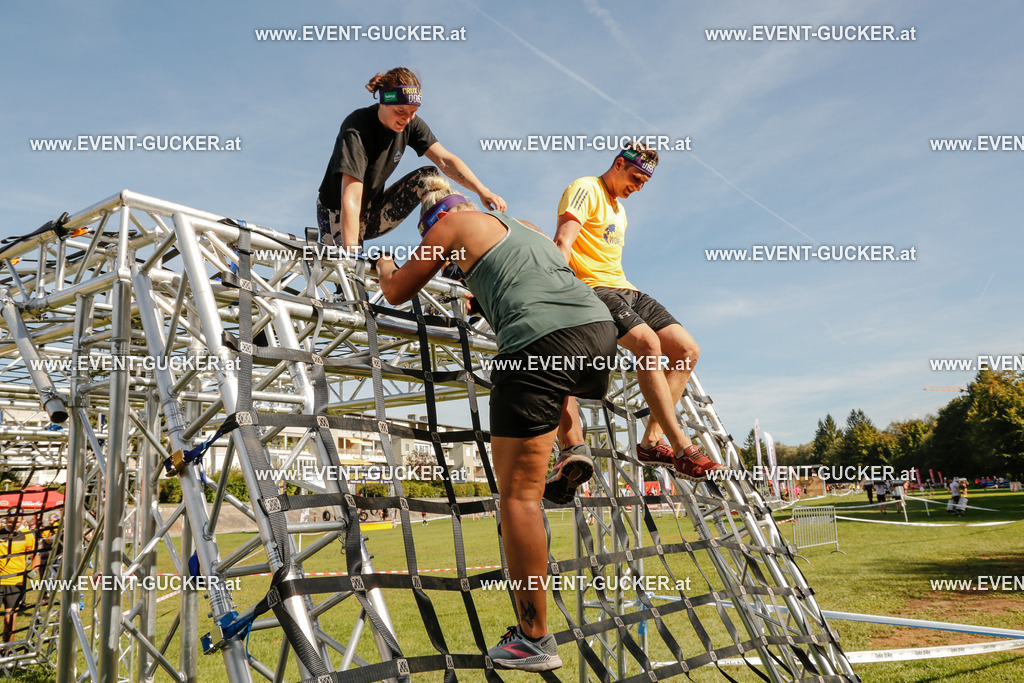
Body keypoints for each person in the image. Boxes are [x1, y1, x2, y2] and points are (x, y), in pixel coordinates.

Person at [376, 180, 618, 672]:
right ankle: (574, 446)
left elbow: (399, 290)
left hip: (537, 345)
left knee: (518, 496)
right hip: (597, 332)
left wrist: (384, 269)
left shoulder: (448, 225)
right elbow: (529, 280)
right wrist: (480, 294)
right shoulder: (522, 228)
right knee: (557, 371)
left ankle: (534, 639)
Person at [551, 141, 723, 481]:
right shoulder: (585, 188)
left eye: (645, 182)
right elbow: (563, 241)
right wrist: (560, 291)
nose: (639, 187)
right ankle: (683, 447)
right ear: (618, 164)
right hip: (594, 289)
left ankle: (650, 442)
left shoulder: (620, 208)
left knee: (687, 350)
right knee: (648, 346)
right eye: (635, 177)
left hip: (629, 289)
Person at [317, 67, 506, 249]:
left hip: (373, 212)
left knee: (429, 177)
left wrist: (483, 190)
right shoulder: (357, 126)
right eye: (400, 111)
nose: (406, 119)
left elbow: (445, 160)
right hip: (339, 213)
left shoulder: (411, 123)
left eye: (412, 112)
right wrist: (351, 254)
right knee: (350, 277)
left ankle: (449, 253)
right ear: (384, 101)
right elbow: (351, 195)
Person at [0, 514, 38, 644]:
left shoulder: (27, 535)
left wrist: (34, 569)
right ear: (6, 520)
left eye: (16, 522)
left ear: (22, 520)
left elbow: (35, 555)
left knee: (9, 619)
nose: (13, 525)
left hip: (15, 583)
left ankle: (6, 650)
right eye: (10, 522)